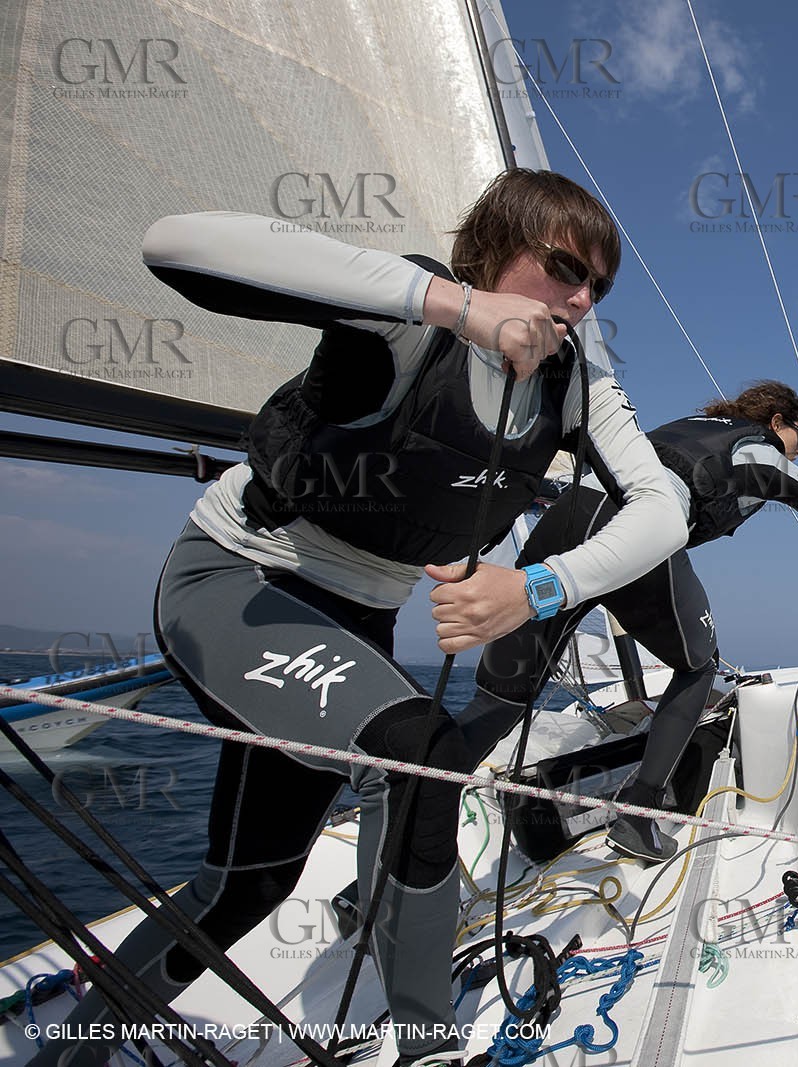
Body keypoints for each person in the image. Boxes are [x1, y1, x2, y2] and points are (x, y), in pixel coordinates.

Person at [33, 169, 686, 1067]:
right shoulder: (404, 314)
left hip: (355, 626)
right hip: (241, 583)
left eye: (598, 286)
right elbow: (173, 243)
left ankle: (79, 1038)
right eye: (563, 266)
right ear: (493, 251)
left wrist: (534, 589)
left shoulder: (574, 383)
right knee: (422, 754)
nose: (580, 297)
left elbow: (663, 507)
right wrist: (453, 305)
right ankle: (427, 1045)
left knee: (252, 882)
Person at [475, 380, 798, 863]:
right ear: (776, 423)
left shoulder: (684, 428)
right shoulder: (761, 454)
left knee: (506, 695)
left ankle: (426, 782)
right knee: (699, 667)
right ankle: (637, 814)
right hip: (636, 525)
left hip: (569, 512)